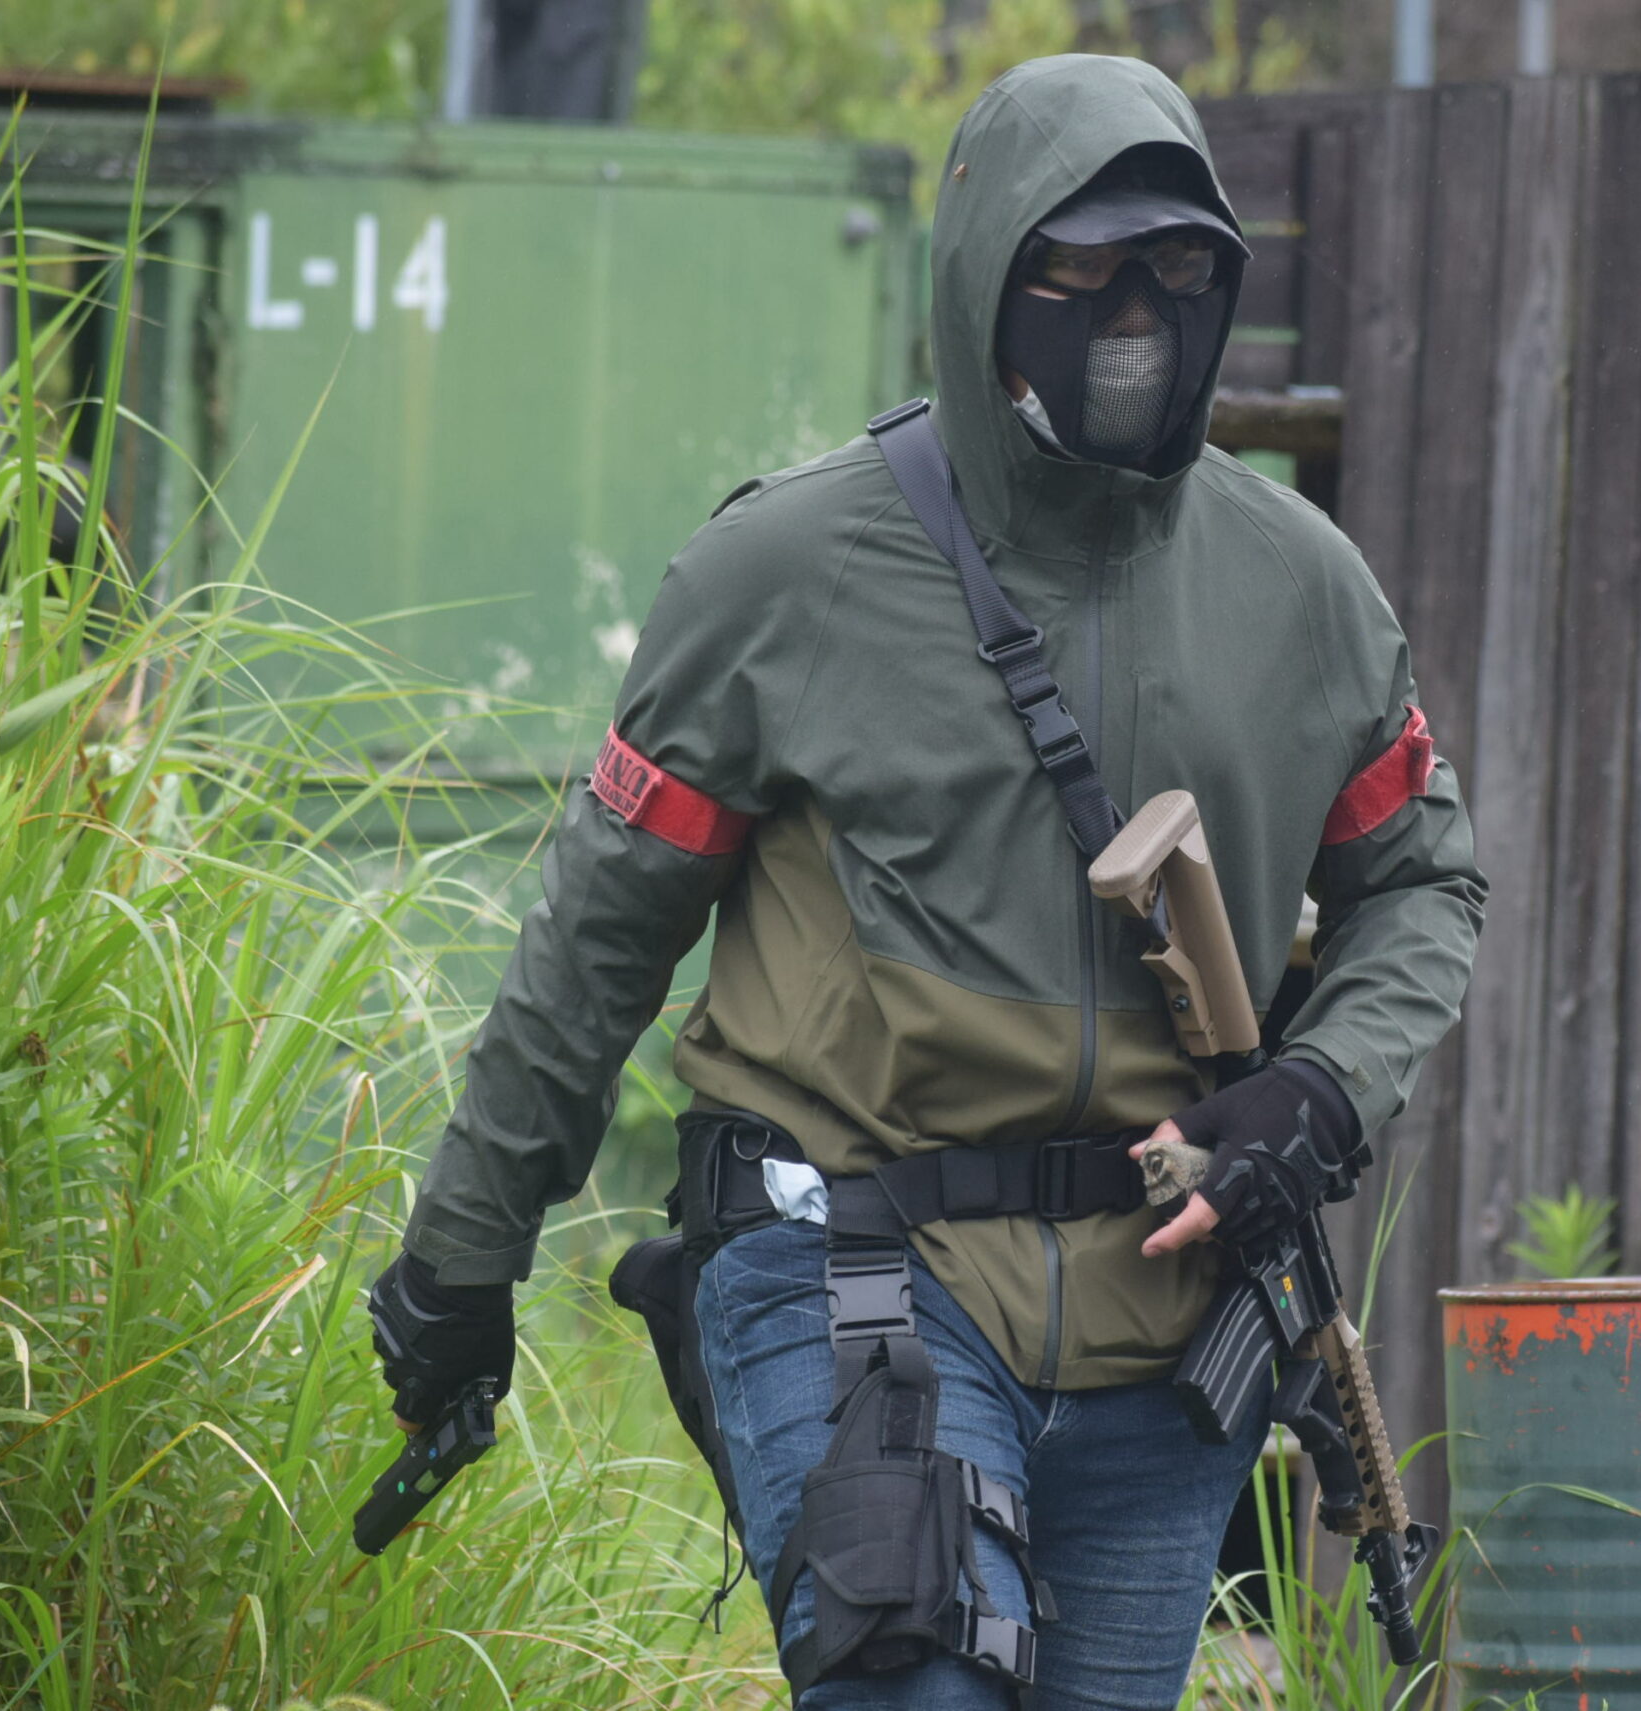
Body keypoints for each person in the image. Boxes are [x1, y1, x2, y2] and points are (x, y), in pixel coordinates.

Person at [365, 53, 1485, 1709]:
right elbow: (594, 945)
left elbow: (1425, 886)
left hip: (1167, 1328)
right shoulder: (781, 572)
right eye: (1079, 273)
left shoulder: (1305, 589)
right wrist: (461, 1262)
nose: (1133, 321)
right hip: (855, 1268)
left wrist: (1319, 1091)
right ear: (981, 284)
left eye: (1176, 272)